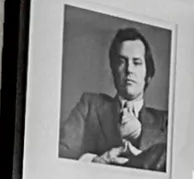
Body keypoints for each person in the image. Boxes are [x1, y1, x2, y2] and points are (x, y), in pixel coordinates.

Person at [57, 26, 167, 170]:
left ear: (148, 74)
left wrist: (140, 134)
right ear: (113, 70)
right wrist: (94, 161)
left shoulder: (164, 121)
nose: (129, 69)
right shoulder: (89, 106)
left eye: (137, 62)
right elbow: (61, 153)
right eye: (122, 61)